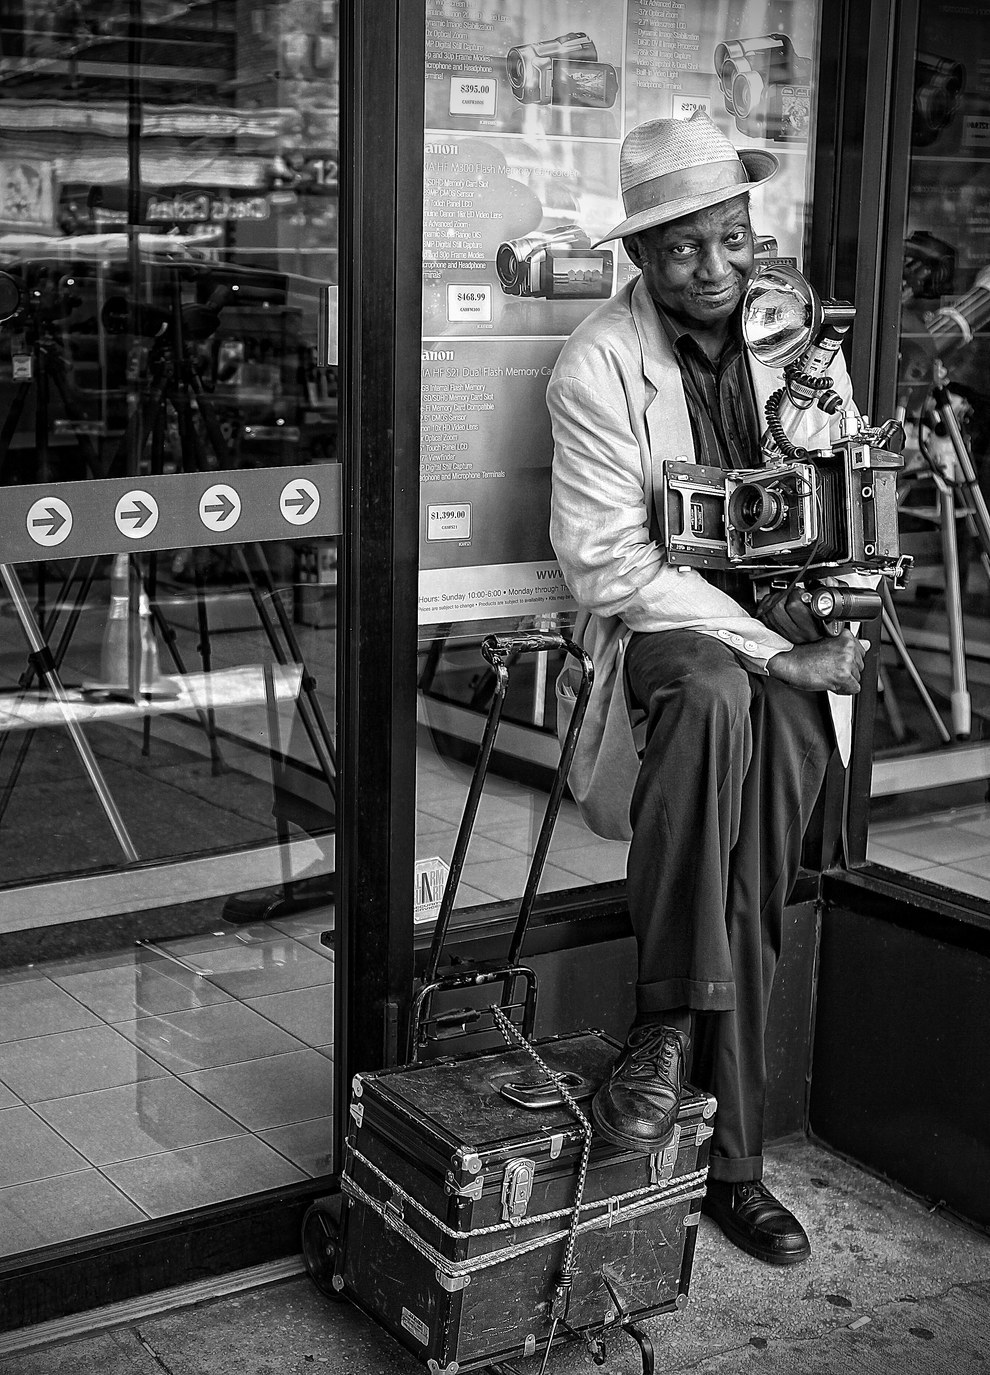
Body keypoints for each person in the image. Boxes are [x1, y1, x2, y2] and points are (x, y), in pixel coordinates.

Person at [547, 110, 870, 1267]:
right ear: (641, 253)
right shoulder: (597, 364)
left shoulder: (794, 336)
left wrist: (830, 584)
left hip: (786, 631)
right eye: (685, 247)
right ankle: (693, 1077)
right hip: (668, 632)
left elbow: (839, 491)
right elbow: (609, 567)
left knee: (753, 870)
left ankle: (701, 1097)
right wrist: (770, 651)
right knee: (716, 694)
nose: (717, 267)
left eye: (733, 237)